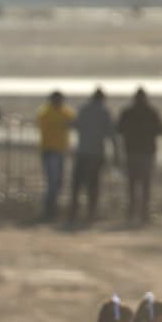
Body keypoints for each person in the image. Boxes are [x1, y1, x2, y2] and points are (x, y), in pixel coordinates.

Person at [68, 89, 119, 223]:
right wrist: (116, 154)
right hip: (96, 154)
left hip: (82, 152)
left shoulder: (83, 109)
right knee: (93, 185)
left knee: (77, 185)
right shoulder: (104, 112)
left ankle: (73, 213)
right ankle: (90, 214)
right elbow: (111, 134)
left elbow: (74, 125)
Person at [117, 88, 162, 224]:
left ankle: (132, 212)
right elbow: (160, 129)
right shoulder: (151, 112)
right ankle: (144, 213)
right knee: (145, 184)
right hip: (146, 153)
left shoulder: (128, 112)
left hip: (132, 152)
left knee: (132, 184)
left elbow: (119, 128)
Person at [36, 91, 75, 221]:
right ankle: (49, 210)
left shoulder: (65, 111)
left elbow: (73, 121)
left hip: (60, 150)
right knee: (52, 182)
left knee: (58, 182)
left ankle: (53, 210)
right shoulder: (46, 112)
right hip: (49, 150)